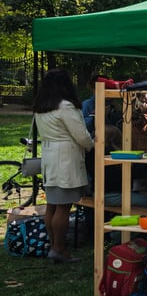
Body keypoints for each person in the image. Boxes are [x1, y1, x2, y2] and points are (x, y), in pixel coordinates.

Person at [33, 68, 95, 263]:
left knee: (52, 205)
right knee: (63, 208)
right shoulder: (66, 106)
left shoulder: (41, 107)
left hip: (50, 157)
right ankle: (60, 248)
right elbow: (81, 135)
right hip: (66, 159)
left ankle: (54, 246)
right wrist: (93, 143)